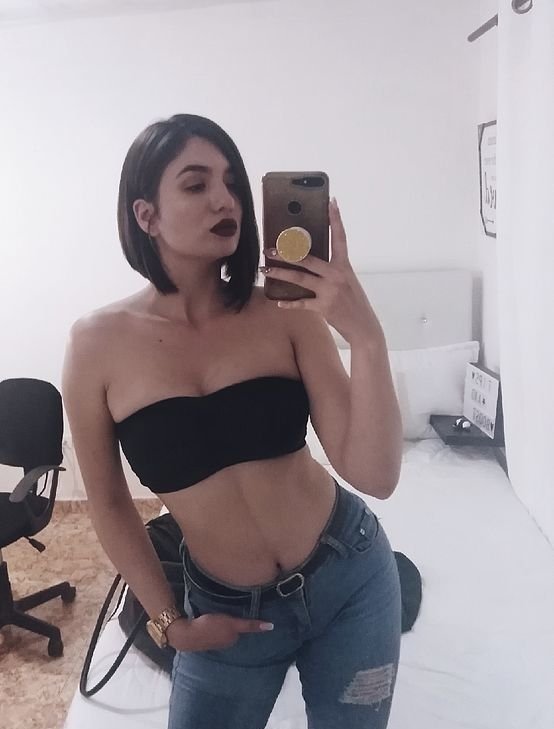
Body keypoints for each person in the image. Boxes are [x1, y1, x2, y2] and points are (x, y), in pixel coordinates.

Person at [62, 113, 403, 729]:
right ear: (146, 215)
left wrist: (366, 338)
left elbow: (375, 475)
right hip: (226, 612)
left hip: (350, 576)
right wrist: (169, 623)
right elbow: (108, 504)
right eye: (196, 185)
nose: (225, 200)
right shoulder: (96, 346)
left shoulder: (285, 312)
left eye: (232, 184)